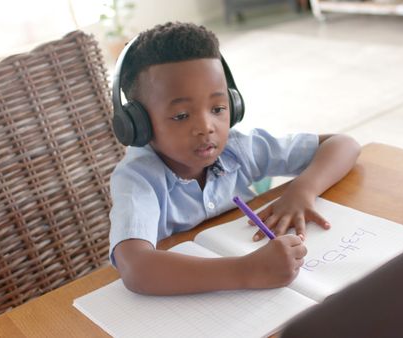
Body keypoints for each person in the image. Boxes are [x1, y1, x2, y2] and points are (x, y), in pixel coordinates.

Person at [109, 22, 360, 295]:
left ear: (234, 103)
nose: (206, 126)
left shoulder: (237, 148)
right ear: (137, 124)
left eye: (218, 108)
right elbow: (137, 269)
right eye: (181, 115)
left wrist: (303, 190)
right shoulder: (138, 179)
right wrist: (247, 271)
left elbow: (344, 145)